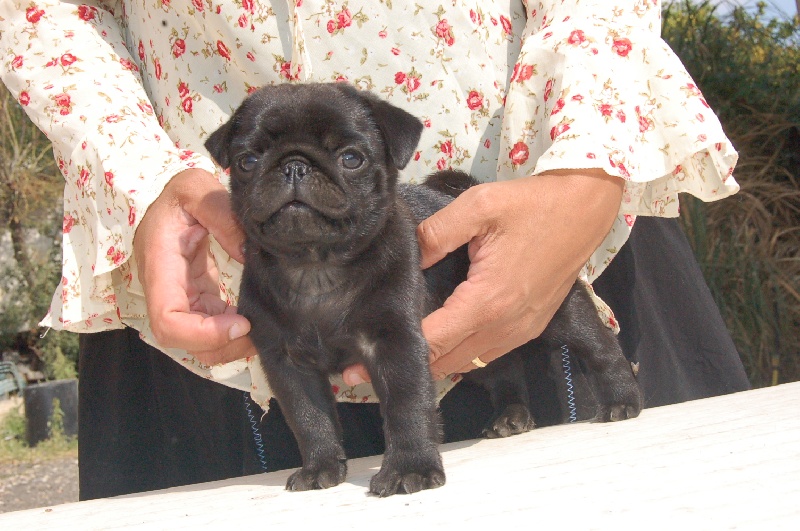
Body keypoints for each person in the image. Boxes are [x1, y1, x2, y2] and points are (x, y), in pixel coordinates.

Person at [0, 0, 749, 499]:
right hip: (200, 286)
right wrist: (135, 172)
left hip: (550, 212)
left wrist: (587, 160)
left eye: (342, 158)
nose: (301, 177)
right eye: (263, 159)